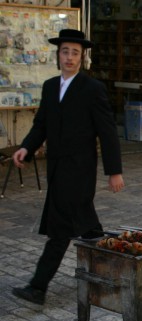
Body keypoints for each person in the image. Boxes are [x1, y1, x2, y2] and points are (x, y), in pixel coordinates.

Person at [11, 29, 125, 305]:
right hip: (57, 168)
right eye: (65, 51)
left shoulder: (92, 89)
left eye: (75, 52)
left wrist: (114, 171)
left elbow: (107, 132)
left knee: (60, 228)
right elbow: (41, 124)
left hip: (80, 170)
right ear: (58, 54)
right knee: (89, 228)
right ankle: (117, 271)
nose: (70, 57)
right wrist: (26, 147)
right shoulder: (50, 86)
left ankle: (38, 287)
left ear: (82, 57)